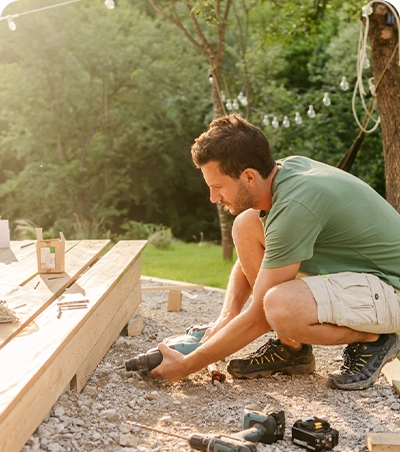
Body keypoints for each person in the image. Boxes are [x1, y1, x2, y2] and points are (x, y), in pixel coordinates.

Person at [151, 113, 400, 390]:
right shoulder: (282, 176)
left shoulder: (294, 206)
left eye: (217, 186)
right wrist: (227, 317)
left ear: (248, 176)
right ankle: (292, 350)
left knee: (279, 307)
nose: (213, 198)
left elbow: (260, 316)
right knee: (246, 225)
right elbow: (258, 260)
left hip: (392, 289)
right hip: (367, 281)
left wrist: (187, 365)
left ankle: (375, 339)